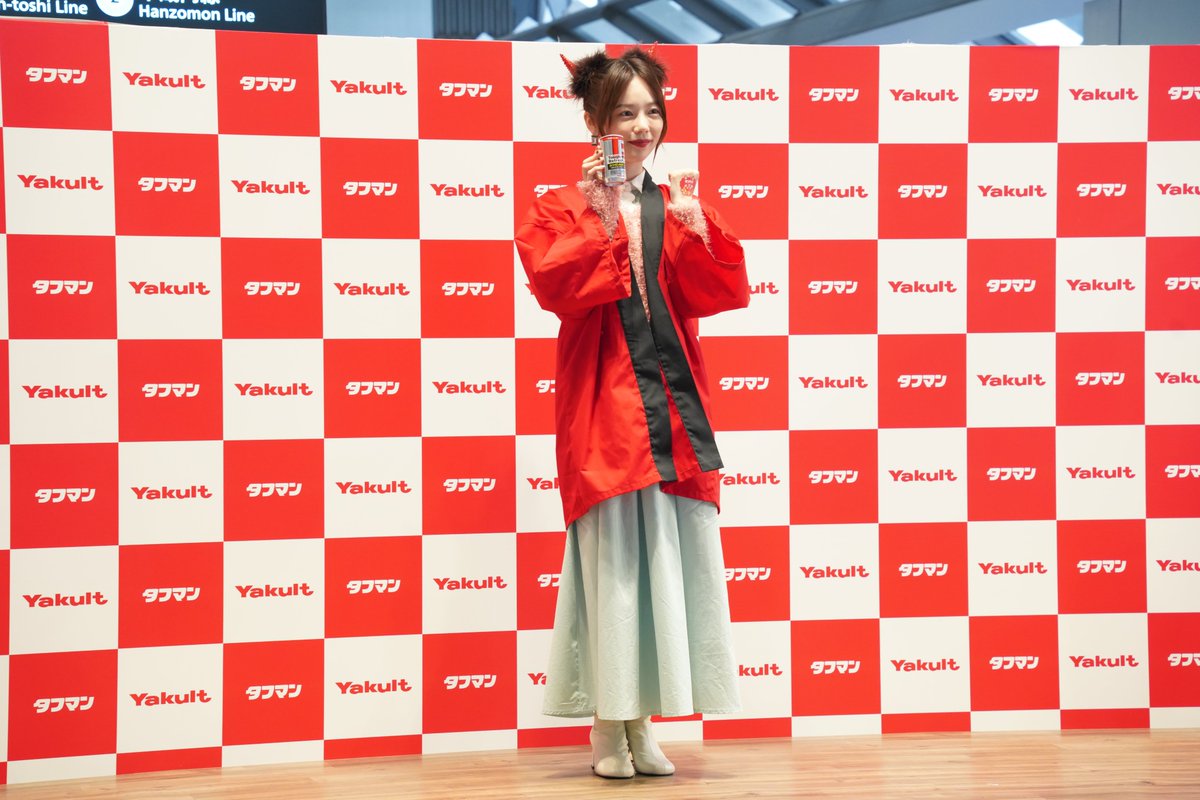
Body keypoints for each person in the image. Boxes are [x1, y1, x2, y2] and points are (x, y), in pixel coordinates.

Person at [514, 46, 749, 779]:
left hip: (673, 407)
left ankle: (643, 725)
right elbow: (556, 288)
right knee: (613, 562)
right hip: (603, 402)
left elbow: (717, 294)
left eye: (652, 111)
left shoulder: (677, 202)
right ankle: (607, 728)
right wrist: (600, 209)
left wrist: (694, 225)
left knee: (665, 562)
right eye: (625, 113)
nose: (642, 126)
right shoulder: (560, 207)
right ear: (595, 123)